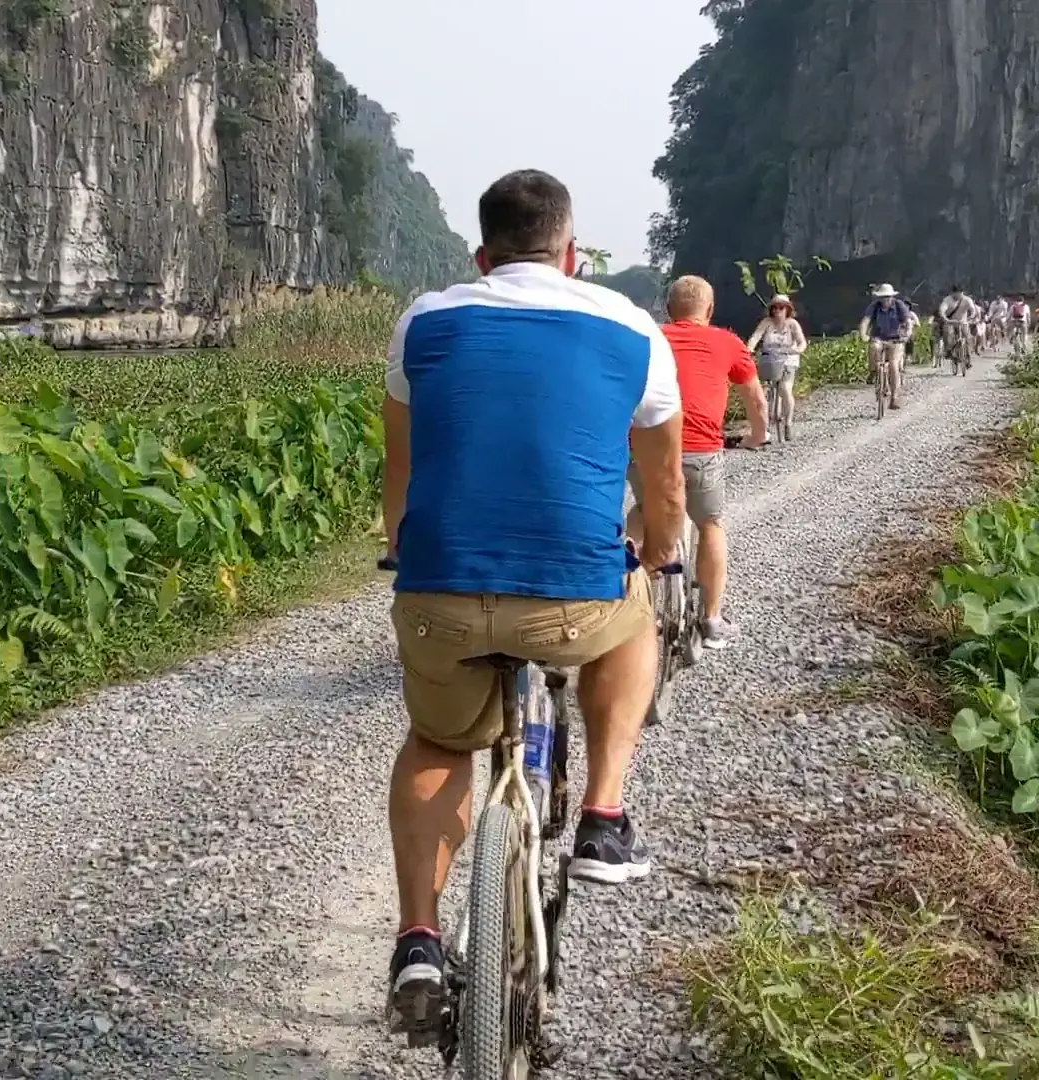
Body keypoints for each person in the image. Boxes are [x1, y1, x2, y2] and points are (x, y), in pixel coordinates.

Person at [378, 170, 685, 1037]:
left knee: (440, 739)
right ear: (572, 253)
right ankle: (603, 817)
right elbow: (661, 490)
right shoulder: (632, 329)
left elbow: (401, 474)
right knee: (637, 621)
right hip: (571, 601)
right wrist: (657, 555)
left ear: (481, 255)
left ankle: (419, 939)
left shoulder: (424, 319)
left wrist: (404, 546)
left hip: (441, 587)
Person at [624, 275, 765, 649]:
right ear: (711, 310)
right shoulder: (728, 342)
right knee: (711, 523)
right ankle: (712, 619)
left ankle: (625, 595)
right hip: (701, 452)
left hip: (646, 449)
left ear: (669, 311)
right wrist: (756, 436)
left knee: (643, 509)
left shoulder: (647, 338)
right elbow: (756, 401)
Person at [746, 293, 807, 443]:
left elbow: (801, 342)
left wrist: (797, 350)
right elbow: (755, 337)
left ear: (787, 309)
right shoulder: (766, 322)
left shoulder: (792, 324)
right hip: (769, 359)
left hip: (788, 360)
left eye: (781, 308)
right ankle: (764, 426)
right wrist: (749, 349)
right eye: (775, 308)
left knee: (785, 389)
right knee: (764, 391)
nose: (778, 311)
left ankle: (788, 423)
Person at [858, 283, 913, 410]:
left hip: (896, 339)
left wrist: (907, 334)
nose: (885, 300)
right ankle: (873, 371)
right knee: (873, 349)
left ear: (892, 297)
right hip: (878, 337)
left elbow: (907, 321)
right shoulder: (874, 307)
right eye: (883, 297)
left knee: (894, 365)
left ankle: (894, 397)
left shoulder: (899, 305)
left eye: (888, 297)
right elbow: (865, 321)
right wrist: (864, 335)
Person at [937, 285, 982, 364]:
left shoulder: (967, 300)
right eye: (956, 293)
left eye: (960, 293)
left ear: (962, 292)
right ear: (952, 293)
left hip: (963, 322)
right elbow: (942, 310)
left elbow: (972, 310)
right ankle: (948, 351)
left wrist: (971, 316)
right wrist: (945, 318)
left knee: (967, 337)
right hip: (950, 322)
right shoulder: (947, 300)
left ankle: (968, 357)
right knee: (946, 333)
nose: (958, 295)